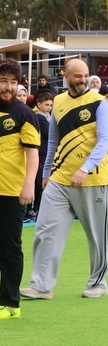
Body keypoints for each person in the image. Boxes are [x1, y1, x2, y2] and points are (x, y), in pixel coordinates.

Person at [21, 58, 108, 300]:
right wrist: (46, 173)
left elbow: (104, 140)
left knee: (96, 236)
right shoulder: (58, 102)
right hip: (60, 179)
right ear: (66, 76)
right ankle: (41, 285)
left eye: (85, 75)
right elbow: (52, 142)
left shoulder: (99, 102)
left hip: (93, 179)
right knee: (45, 229)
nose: (82, 80)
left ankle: (98, 283)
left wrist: (85, 168)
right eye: (77, 76)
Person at [0, 59, 40, 321]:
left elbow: (33, 155)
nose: (8, 86)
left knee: (9, 247)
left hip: (11, 192)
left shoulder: (25, 114)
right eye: (3, 80)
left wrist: (28, 185)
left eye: (13, 82)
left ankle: (11, 303)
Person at [32, 91, 54, 220]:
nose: (49, 108)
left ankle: (42, 208)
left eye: (51, 105)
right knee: (41, 182)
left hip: (48, 153)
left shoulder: (48, 117)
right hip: (42, 153)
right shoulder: (39, 118)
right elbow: (49, 133)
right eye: (46, 105)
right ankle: (37, 208)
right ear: (39, 104)